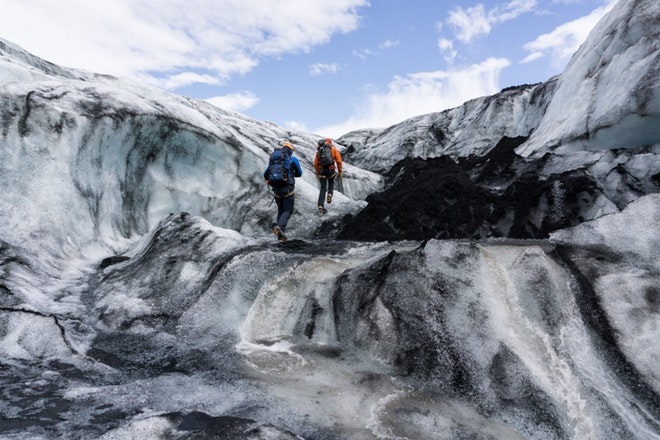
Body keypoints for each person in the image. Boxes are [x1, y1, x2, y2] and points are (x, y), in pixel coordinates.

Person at [264, 142, 302, 241]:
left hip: (276, 188)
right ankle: (280, 228)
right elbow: (299, 173)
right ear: (290, 150)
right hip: (287, 188)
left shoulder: (274, 159)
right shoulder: (292, 159)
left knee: (281, 210)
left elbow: (266, 173)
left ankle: (280, 236)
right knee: (288, 210)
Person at [313, 138, 342, 214]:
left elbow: (315, 164)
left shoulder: (319, 151)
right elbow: (339, 161)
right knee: (331, 182)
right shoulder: (333, 149)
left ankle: (320, 205)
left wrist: (318, 172)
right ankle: (330, 194)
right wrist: (340, 171)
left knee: (322, 188)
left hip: (322, 171)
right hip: (330, 169)